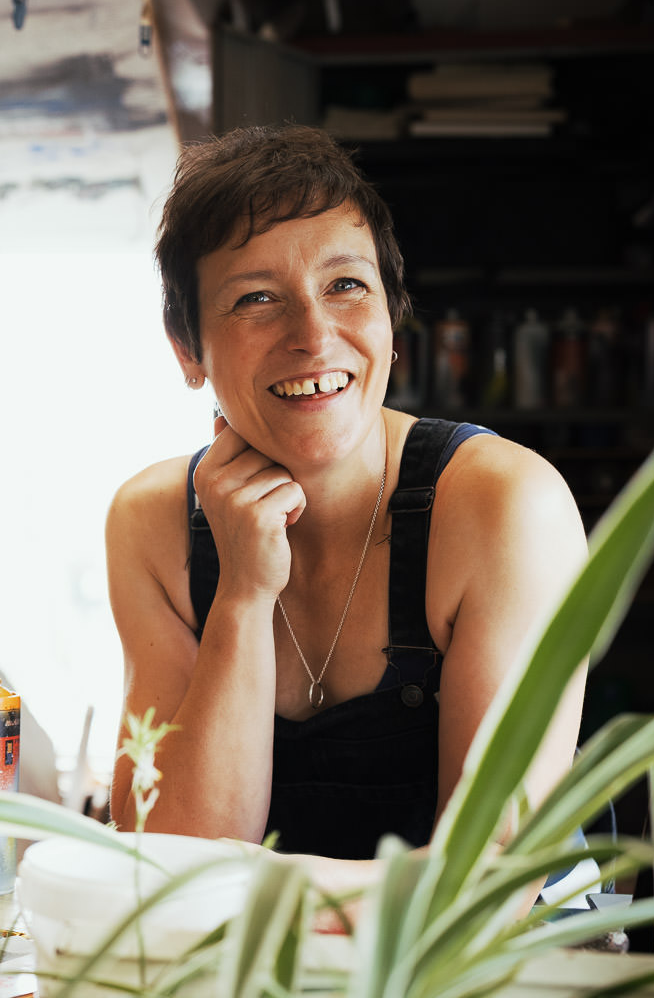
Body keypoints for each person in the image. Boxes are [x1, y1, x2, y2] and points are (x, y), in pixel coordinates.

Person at [107, 125, 587, 867]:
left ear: (393, 320)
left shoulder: (506, 505)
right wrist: (241, 594)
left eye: (346, 285)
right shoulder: (154, 524)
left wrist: (272, 904)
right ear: (186, 347)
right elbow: (166, 865)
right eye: (256, 298)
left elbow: (490, 878)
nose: (314, 335)